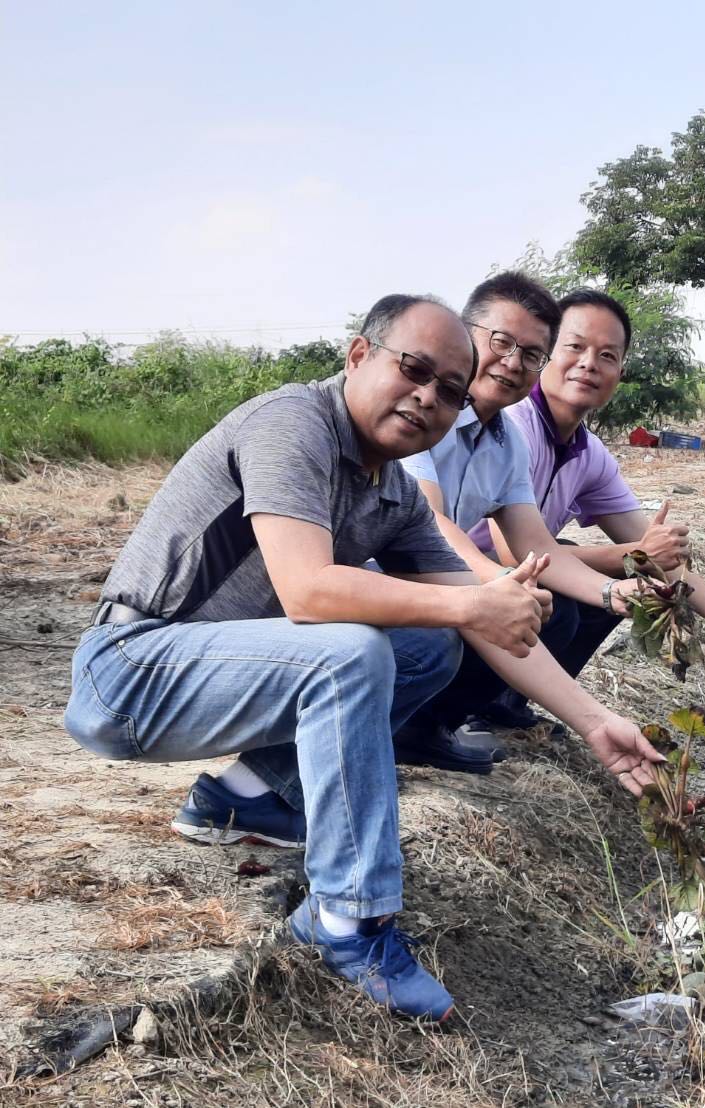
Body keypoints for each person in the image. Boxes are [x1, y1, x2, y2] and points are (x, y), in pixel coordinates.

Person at [62, 294, 664, 1021]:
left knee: (426, 644)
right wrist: (473, 602)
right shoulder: (293, 423)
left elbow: (480, 621)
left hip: (225, 673)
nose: (426, 399)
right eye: (412, 370)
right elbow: (309, 590)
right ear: (358, 355)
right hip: (130, 672)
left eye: (448, 391)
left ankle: (250, 792)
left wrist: (596, 723)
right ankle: (349, 919)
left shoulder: (393, 492)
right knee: (352, 650)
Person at [409, 285, 705, 744]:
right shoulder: (503, 423)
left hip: (495, 576)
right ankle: (450, 715)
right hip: (449, 578)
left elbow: (549, 545)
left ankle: (501, 703)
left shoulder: (556, 447)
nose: (590, 364)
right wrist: (627, 559)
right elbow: (451, 534)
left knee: (602, 589)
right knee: (559, 603)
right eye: (574, 347)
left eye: (607, 355)